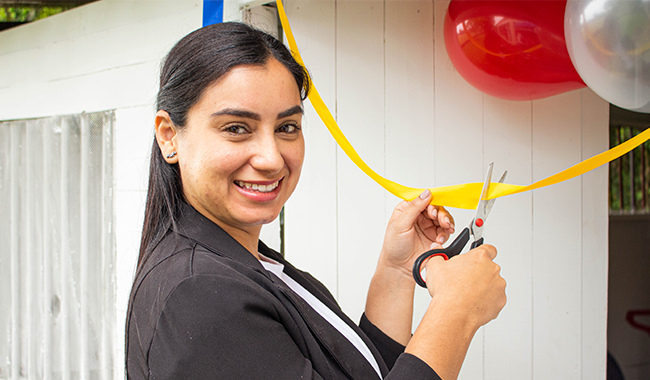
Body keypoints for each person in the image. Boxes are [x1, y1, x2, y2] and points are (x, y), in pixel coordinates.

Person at [126, 22, 506, 380]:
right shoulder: (200, 295)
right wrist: (457, 312)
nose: (272, 158)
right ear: (169, 136)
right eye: (237, 129)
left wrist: (396, 271)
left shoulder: (246, 261)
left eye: (287, 127)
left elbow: (366, 371)